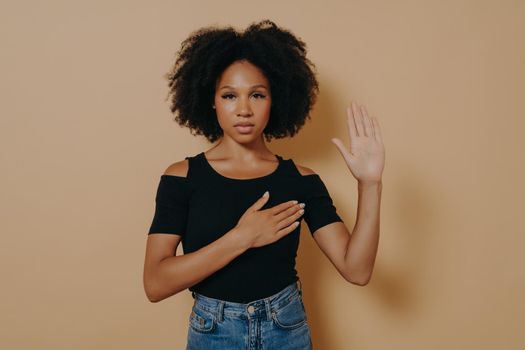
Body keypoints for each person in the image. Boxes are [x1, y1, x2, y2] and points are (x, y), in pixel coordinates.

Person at [143, 19, 385, 350]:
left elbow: (356, 270)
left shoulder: (302, 180)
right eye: (229, 95)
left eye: (257, 94)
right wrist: (242, 238)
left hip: (285, 329)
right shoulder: (182, 177)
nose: (244, 109)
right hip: (214, 332)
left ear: (277, 99)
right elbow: (155, 283)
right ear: (211, 100)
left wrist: (370, 184)